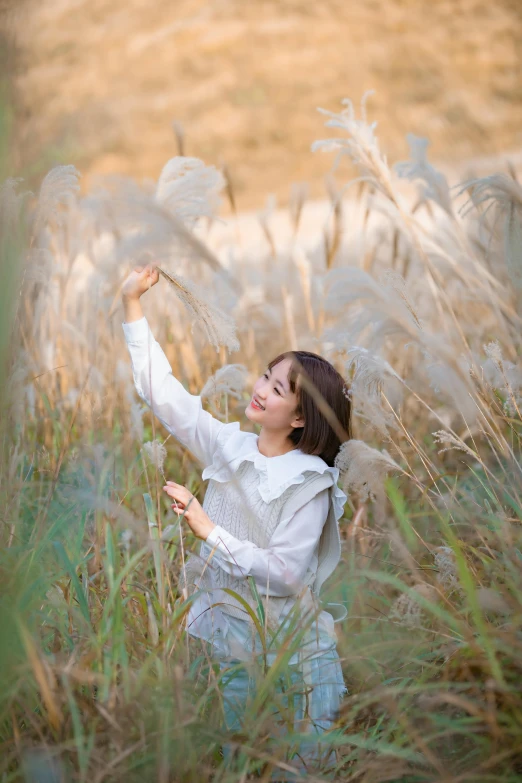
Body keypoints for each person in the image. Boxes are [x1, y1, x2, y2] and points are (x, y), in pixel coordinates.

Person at [121, 265, 351, 779]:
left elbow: (288, 575)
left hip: (298, 659)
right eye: (266, 376)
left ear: (299, 417)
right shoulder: (228, 445)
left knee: (304, 770)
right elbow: (164, 395)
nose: (262, 390)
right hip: (237, 647)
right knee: (241, 762)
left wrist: (209, 531)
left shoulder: (309, 482)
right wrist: (132, 305)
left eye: (279, 388)